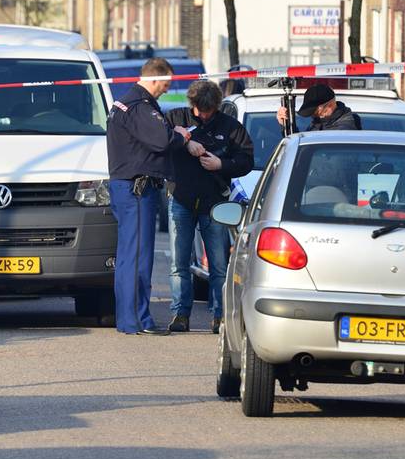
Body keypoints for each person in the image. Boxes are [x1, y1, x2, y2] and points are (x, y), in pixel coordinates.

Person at [106, 58, 192, 336]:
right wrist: (182, 136)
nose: (166, 90)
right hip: (138, 189)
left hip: (127, 187)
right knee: (137, 258)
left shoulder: (125, 102)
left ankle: (131, 319)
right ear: (155, 79)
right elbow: (162, 141)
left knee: (129, 256)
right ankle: (138, 319)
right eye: (165, 85)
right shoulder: (140, 107)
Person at [164, 80, 254, 334]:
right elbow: (158, 141)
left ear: (217, 106)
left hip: (215, 203)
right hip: (180, 198)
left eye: (209, 111)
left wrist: (221, 165)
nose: (203, 115)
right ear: (191, 105)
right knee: (178, 263)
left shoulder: (230, 126)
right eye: (199, 110)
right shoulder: (174, 118)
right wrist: (183, 141)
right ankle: (180, 314)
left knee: (218, 264)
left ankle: (220, 316)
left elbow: (247, 159)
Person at [275, 83, 362, 131]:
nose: (313, 116)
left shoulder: (344, 129)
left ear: (329, 106)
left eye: (316, 112)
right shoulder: (320, 123)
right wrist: (286, 125)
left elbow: (319, 156)